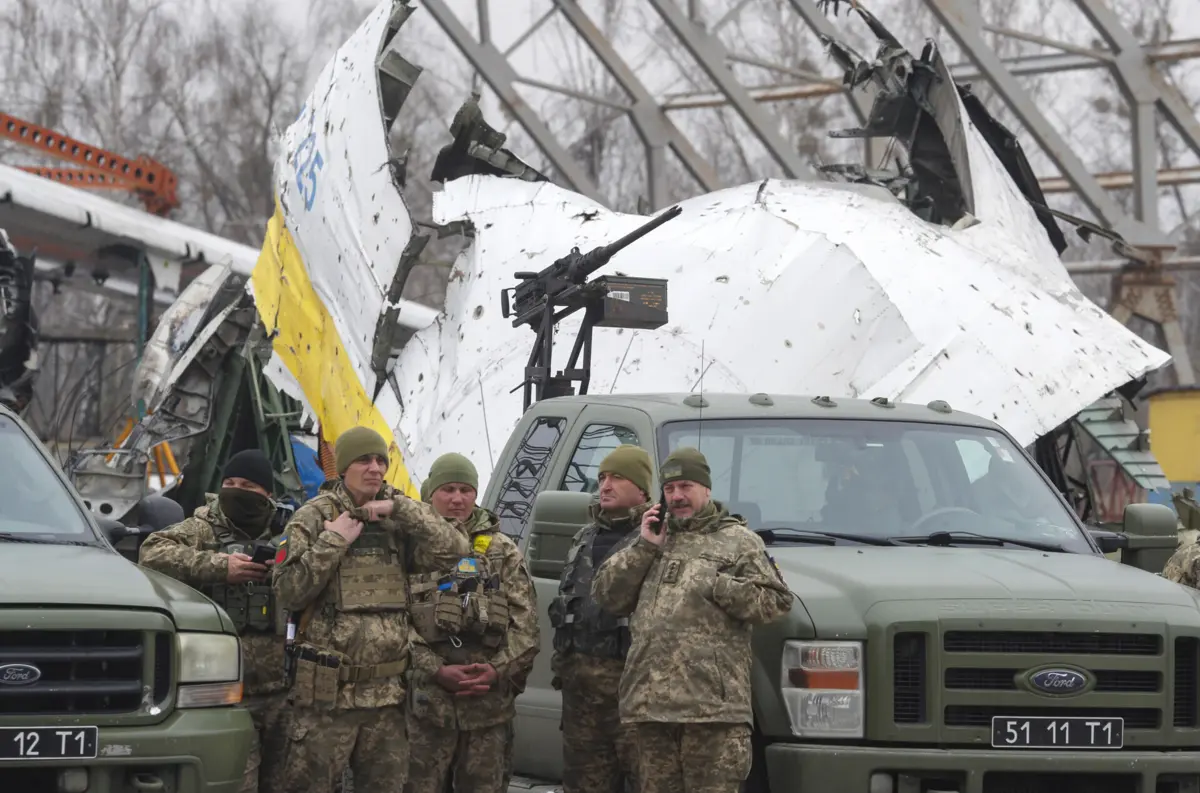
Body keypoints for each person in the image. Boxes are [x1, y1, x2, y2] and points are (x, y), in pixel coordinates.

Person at [271, 427, 470, 793]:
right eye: (365, 459)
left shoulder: (399, 518)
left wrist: (401, 507)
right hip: (327, 701)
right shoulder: (313, 518)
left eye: (381, 460)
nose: (375, 468)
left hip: (388, 699)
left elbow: (457, 549)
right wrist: (334, 541)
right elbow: (288, 592)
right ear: (344, 467)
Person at [592, 447, 793, 793]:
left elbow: (776, 602)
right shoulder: (652, 534)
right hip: (650, 709)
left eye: (685, 486)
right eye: (669, 489)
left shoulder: (739, 541)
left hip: (712, 714)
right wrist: (645, 547)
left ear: (706, 489)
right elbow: (608, 597)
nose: (677, 496)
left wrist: (718, 585)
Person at [138, 449, 285, 793]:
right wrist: (219, 566)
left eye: (247, 485)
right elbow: (151, 552)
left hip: (283, 691)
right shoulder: (202, 528)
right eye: (229, 483)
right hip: (224, 692)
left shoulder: (288, 534)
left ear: (268, 494)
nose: (235, 490)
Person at [404, 453, 540, 793]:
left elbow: (526, 627)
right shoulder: (411, 548)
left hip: (487, 712)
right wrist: (435, 669)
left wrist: (496, 670)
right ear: (431, 494)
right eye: (448, 489)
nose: (457, 499)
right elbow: (392, 621)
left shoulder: (502, 551)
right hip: (426, 709)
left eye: (466, 490)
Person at [549, 444, 652, 793]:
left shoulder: (658, 538)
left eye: (617, 477)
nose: (605, 485)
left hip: (635, 701)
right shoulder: (584, 537)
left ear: (642, 489)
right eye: (602, 477)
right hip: (582, 701)